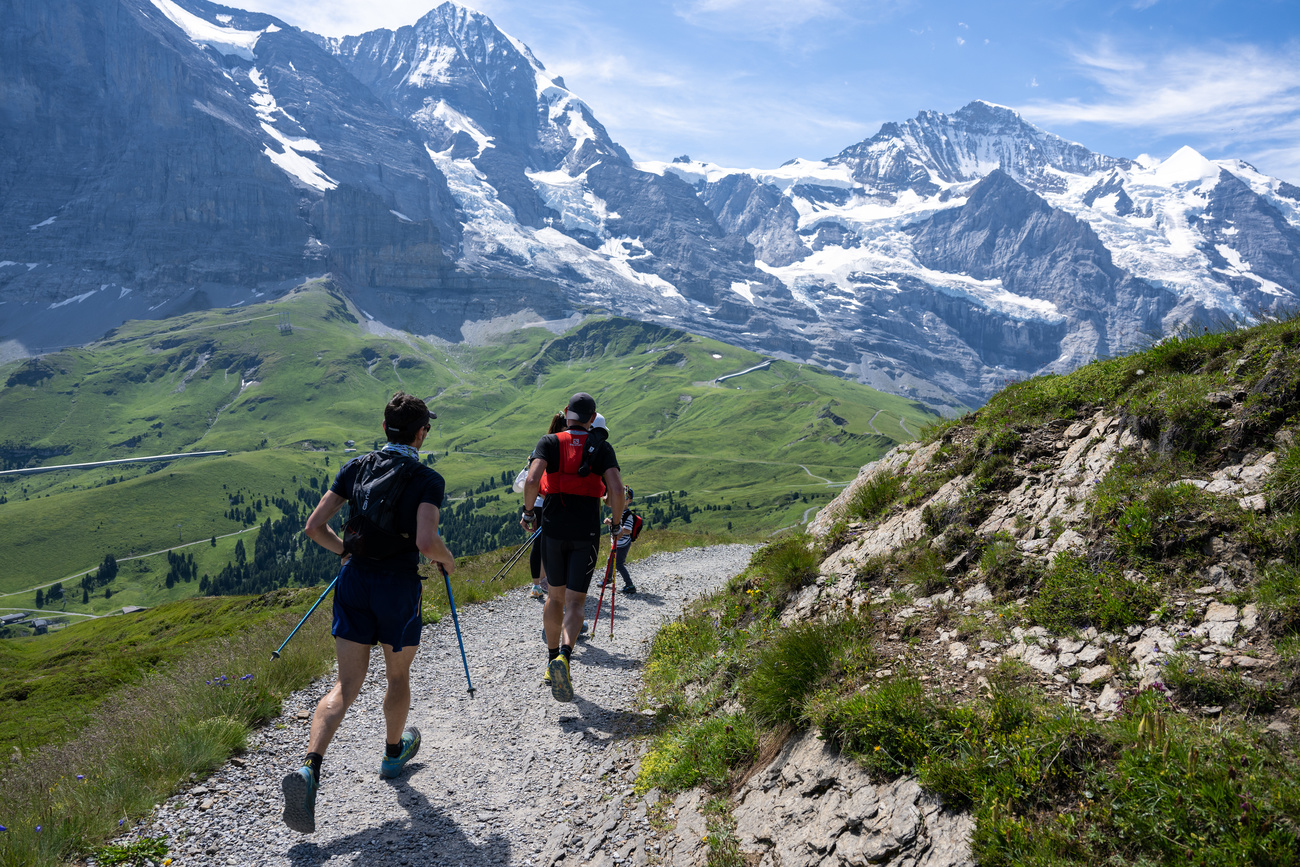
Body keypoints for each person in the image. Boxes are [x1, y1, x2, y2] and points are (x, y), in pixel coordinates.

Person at [282, 392, 455, 834]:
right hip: (397, 587)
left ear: (384, 428)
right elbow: (425, 541)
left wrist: (346, 552)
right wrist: (447, 559)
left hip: (354, 581)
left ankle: (309, 769)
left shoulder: (356, 467)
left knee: (344, 685)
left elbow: (313, 527)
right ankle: (393, 754)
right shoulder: (427, 479)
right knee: (397, 676)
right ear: (420, 433)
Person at [520, 393, 624, 702]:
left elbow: (531, 481)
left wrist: (528, 513)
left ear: (567, 413)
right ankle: (565, 655)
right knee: (577, 602)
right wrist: (616, 523)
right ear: (592, 418)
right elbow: (616, 489)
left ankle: (552, 661)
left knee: (555, 597)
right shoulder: (602, 447)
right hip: (586, 530)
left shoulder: (549, 442)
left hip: (553, 528)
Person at [604, 486, 639, 595]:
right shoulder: (617, 511)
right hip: (615, 543)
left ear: (630, 501)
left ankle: (630, 585)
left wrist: (612, 524)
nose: (623, 499)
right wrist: (610, 521)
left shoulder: (628, 515)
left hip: (622, 544)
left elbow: (628, 530)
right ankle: (608, 579)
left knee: (619, 564)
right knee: (610, 561)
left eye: (626, 497)